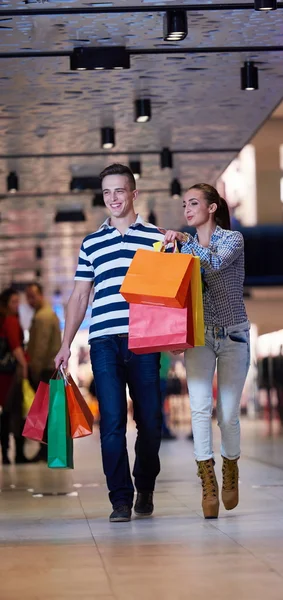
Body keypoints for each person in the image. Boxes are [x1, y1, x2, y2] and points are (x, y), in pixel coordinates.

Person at [54, 163, 165, 523]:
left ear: (134, 194)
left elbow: (169, 293)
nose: (113, 198)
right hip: (103, 340)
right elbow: (80, 295)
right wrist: (65, 343)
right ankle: (120, 498)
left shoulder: (155, 238)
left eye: (119, 191)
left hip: (145, 340)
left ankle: (144, 484)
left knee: (150, 420)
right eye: (107, 192)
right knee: (113, 421)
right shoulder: (91, 243)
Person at [164, 183, 250, 519]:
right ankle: (207, 480)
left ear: (212, 208)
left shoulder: (232, 240)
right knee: (200, 409)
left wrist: (186, 242)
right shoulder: (180, 248)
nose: (187, 209)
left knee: (227, 413)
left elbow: (213, 265)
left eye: (194, 203)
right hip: (198, 337)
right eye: (185, 204)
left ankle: (230, 467)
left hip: (234, 335)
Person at [25, 282, 62, 462]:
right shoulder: (48, 314)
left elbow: (40, 348)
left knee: (43, 412)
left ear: (40, 295)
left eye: (32, 296)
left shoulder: (42, 317)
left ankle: (45, 450)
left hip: (45, 369)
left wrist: (33, 370)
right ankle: (49, 450)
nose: (29, 301)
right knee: (50, 412)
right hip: (52, 369)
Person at [0, 287, 29, 465]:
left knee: (5, 413)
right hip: (10, 374)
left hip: (2, 374)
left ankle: (4, 453)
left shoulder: (3, 320)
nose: (17, 305)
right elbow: (16, 346)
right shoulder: (10, 320)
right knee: (15, 413)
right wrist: (24, 365)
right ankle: (17, 453)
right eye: (14, 302)